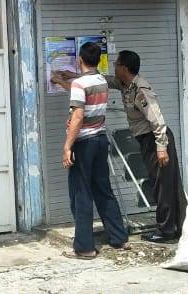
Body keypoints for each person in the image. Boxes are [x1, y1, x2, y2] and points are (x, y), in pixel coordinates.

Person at [56, 50, 186, 244]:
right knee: (162, 183)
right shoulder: (125, 84)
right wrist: (73, 76)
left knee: (163, 185)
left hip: (156, 139)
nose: (114, 67)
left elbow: (157, 119)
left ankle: (166, 230)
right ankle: (177, 227)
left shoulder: (140, 89)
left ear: (124, 68)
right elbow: (104, 80)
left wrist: (161, 147)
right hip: (147, 139)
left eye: (116, 64)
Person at [59, 41, 128, 258]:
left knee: (81, 194)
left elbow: (78, 116)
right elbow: (82, 93)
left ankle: (84, 247)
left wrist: (67, 146)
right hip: (100, 140)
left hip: (84, 143)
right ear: (98, 60)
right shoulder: (101, 81)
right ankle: (118, 238)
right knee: (103, 189)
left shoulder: (80, 84)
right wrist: (64, 80)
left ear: (80, 59)